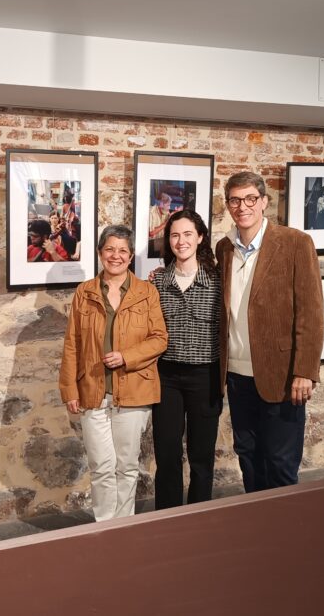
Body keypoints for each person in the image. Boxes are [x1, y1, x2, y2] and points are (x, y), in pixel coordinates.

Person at [216, 171, 324, 492]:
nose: (242, 206)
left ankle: (286, 534)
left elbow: (312, 312)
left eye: (250, 199)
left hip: (282, 375)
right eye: (235, 200)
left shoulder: (294, 244)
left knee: (280, 461)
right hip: (237, 376)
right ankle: (257, 525)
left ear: (264, 202)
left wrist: (305, 371)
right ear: (228, 205)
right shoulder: (223, 249)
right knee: (248, 456)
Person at [59, 225, 168, 521]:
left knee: (127, 466)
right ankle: (105, 528)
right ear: (99, 253)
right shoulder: (85, 292)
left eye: (122, 250)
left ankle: (124, 527)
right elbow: (72, 344)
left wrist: (126, 357)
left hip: (134, 390)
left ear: (131, 256)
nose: (115, 256)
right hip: (93, 390)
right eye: (109, 249)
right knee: (101, 466)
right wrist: (69, 389)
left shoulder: (147, 293)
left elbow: (159, 338)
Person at [149, 209, 222, 509]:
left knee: (201, 455)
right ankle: (166, 517)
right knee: (166, 454)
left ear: (201, 237)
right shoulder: (156, 282)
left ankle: (199, 515)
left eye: (188, 234)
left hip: (206, 376)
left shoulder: (218, 281)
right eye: (175, 235)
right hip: (166, 378)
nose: (181, 241)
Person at [148, 192, 174, 256]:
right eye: (168, 205)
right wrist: (166, 222)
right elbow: (151, 233)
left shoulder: (166, 212)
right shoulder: (151, 212)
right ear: (161, 204)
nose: (169, 208)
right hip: (151, 243)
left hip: (161, 241)